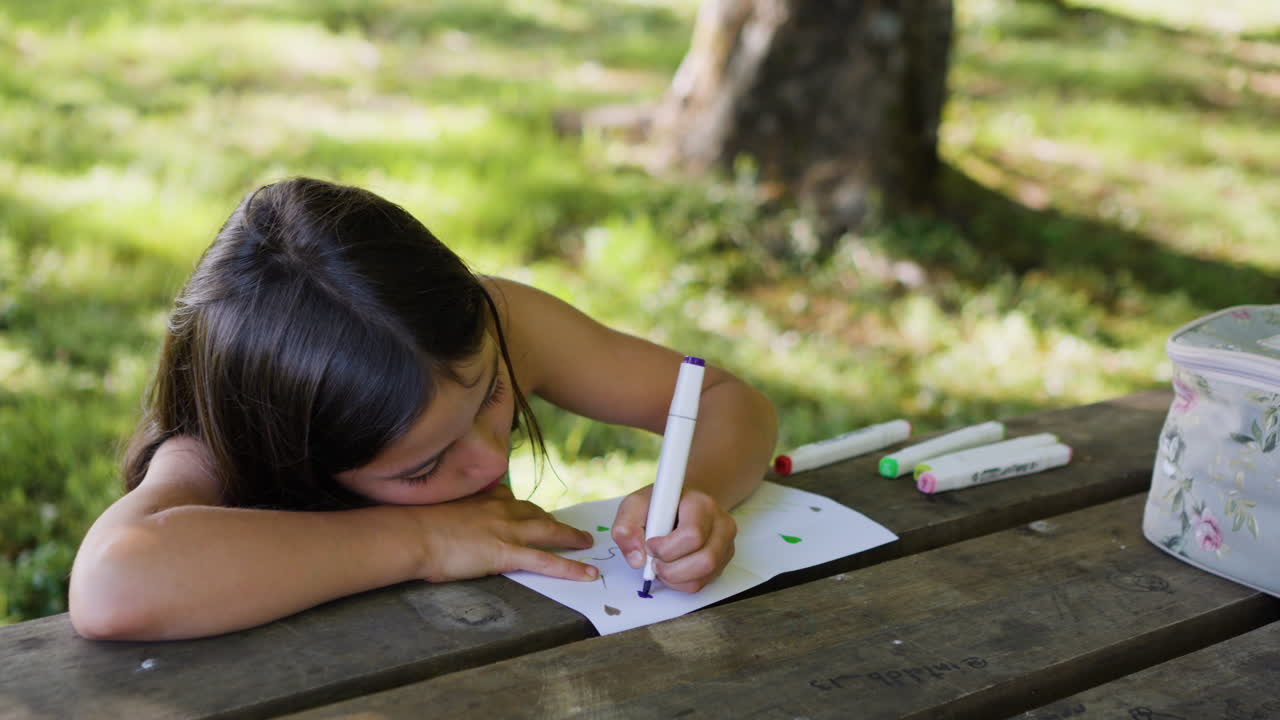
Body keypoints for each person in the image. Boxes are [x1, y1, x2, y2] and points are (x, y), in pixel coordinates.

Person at [68, 177, 778, 641]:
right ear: (296, 452)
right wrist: (424, 540)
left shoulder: (494, 326)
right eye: (426, 466)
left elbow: (723, 399)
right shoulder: (225, 446)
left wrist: (693, 491)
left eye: (493, 395)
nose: (492, 457)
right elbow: (111, 584)